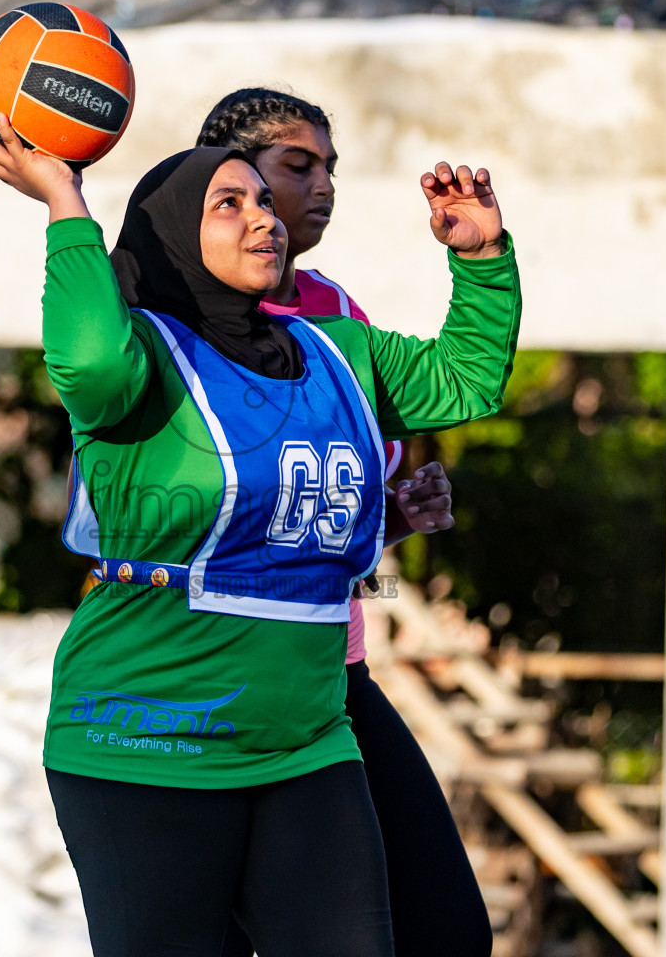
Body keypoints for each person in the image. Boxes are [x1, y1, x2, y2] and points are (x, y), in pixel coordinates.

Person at [0, 110, 520, 957]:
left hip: (305, 741)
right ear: (174, 233)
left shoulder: (336, 347)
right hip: (148, 739)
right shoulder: (142, 360)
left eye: (265, 199)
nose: (264, 216)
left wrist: (479, 258)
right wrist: (64, 205)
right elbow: (86, 360)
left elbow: (465, 382)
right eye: (230, 203)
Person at [198, 88, 494, 956]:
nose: (323, 186)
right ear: (232, 181)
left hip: (330, 671)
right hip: (208, 682)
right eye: (300, 166)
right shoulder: (171, 323)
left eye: (331, 168)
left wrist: (386, 520)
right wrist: (63, 197)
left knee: (443, 931)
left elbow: (463, 386)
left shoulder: (335, 315)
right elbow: (189, 506)